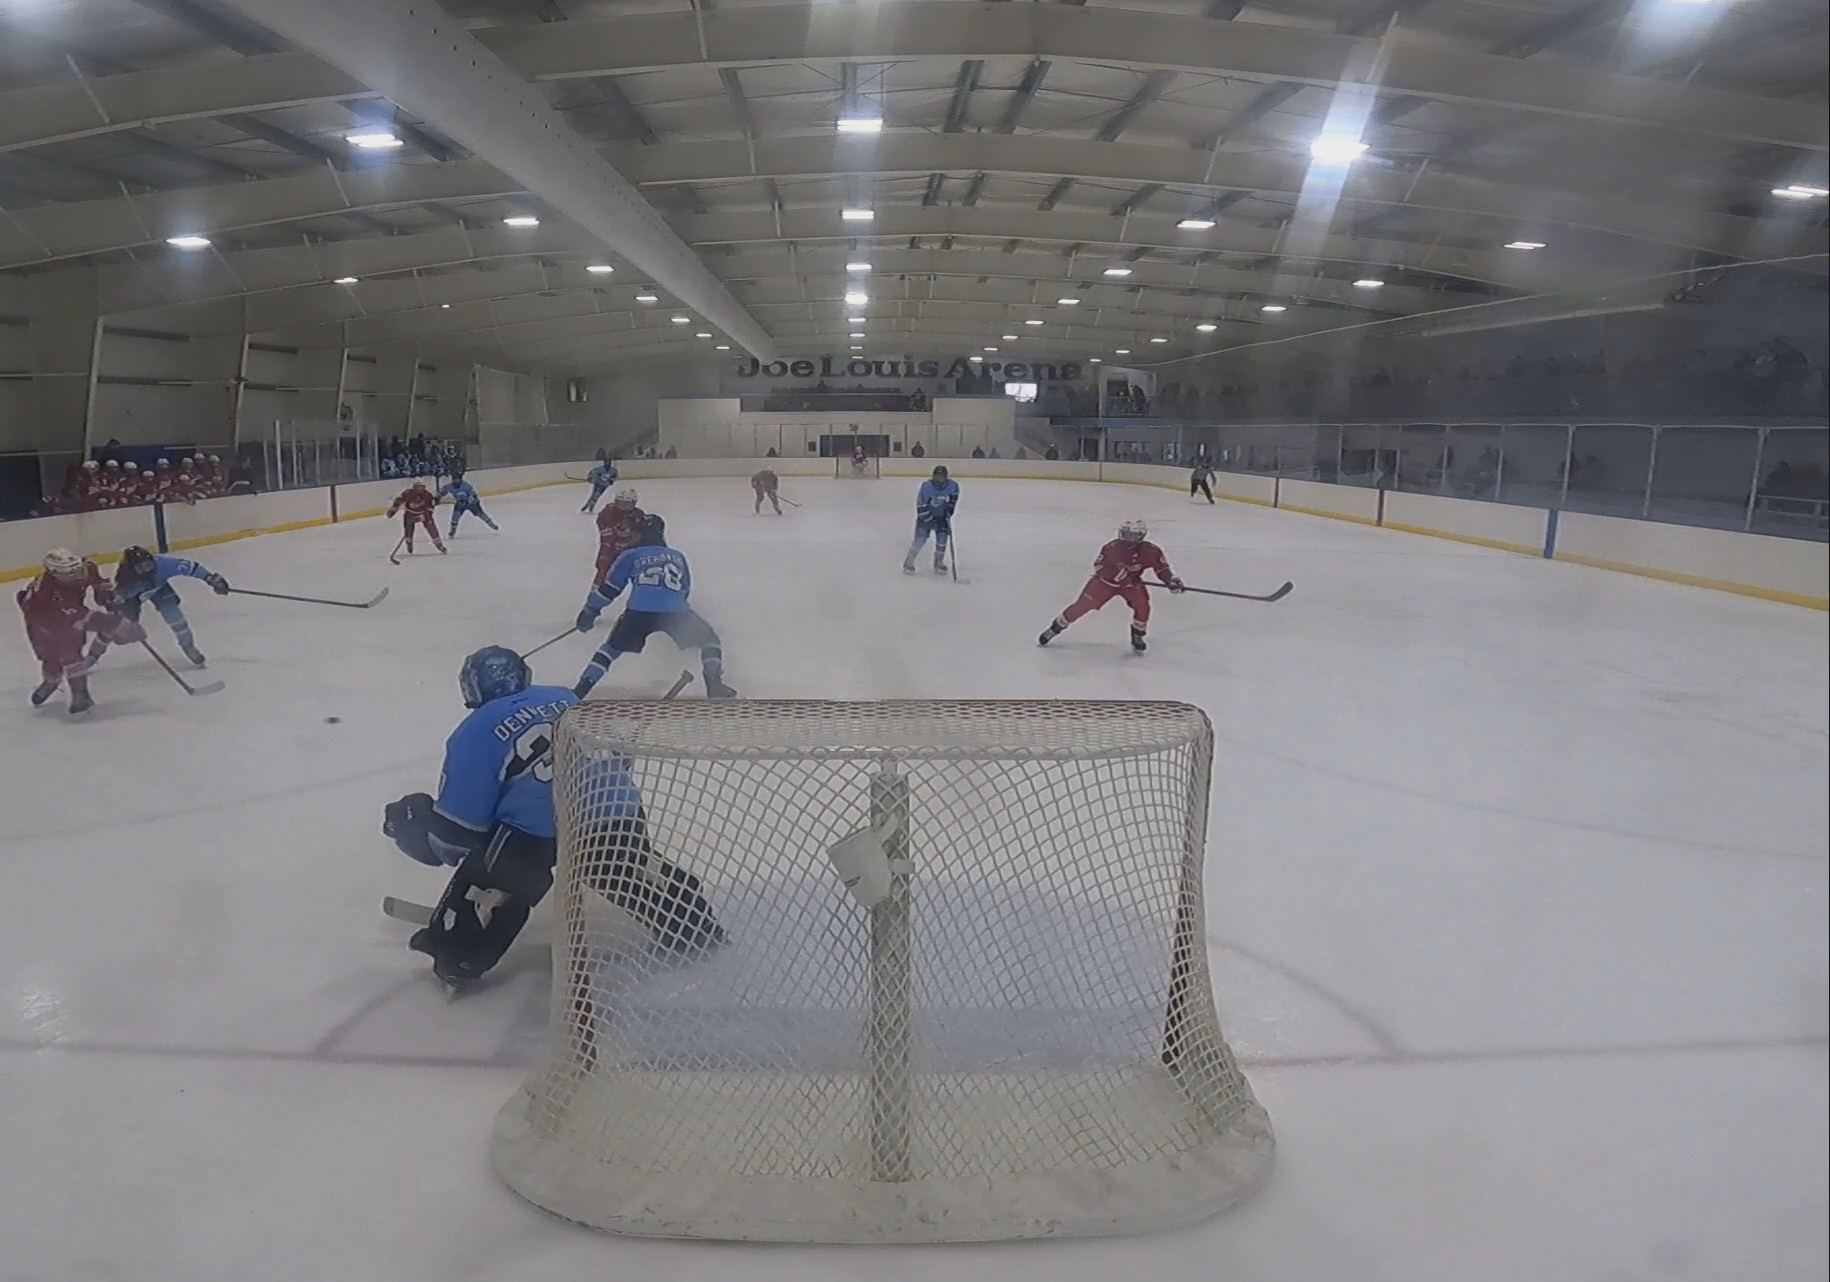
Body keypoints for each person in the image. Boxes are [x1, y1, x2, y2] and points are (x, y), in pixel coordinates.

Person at [382, 647, 724, 991]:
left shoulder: (476, 730)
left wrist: (417, 825)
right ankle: (693, 927)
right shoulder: (564, 697)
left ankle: (458, 954)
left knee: (502, 874)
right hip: (615, 806)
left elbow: (462, 832)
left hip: (536, 830)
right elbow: (616, 756)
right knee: (619, 864)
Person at [574, 514, 735, 699]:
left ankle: (580, 690)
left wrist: (590, 611)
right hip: (677, 612)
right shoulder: (677, 556)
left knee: (610, 649)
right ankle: (714, 685)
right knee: (710, 641)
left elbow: (609, 590)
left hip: (638, 613)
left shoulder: (630, 555)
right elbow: (685, 590)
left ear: (641, 534)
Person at [18, 548, 141, 715]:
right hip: (43, 622)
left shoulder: (85, 567)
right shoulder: (49, 591)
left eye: (76, 568)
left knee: (72, 655)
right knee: (51, 657)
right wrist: (119, 625)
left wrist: (107, 596)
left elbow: (99, 582)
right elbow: (82, 616)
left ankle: (80, 694)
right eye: (69, 572)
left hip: (69, 615)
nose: (76, 573)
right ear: (53, 573)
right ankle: (51, 681)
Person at [1038, 519, 1185, 654]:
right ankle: (1055, 628)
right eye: (1126, 534)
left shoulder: (1151, 551)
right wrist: (1121, 577)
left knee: (1142, 606)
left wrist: (1171, 580)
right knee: (1082, 606)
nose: (1127, 538)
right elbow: (1099, 566)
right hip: (1103, 584)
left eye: (1132, 535)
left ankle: (1138, 634)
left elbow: (1161, 568)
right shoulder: (1112, 547)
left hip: (1131, 584)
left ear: (1141, 536)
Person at [92, 546, 229, 668]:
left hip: (160, 589)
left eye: (149, 565)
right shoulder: (125, 578)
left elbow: (193, 568)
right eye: (142, 568)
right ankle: (93, 655)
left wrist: (211, 579)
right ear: (132, 569)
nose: (147, 570)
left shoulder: (164, 565)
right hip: (133, 597)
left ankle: (188, 646)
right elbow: (116, 599)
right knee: (116, 628)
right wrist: (117, 610)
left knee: (176, 618)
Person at [902, 465, 959, 575]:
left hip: (942, 517)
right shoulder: (926, 487)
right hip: (925, 517)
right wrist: (931, 521)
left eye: (942, 477)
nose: (939, 480)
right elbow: (921, 507)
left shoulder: (953, 486)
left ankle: (938, 562)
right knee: (920, 540)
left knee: (942, 541)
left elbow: (953, 499)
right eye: (937, 477)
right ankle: (909, 562)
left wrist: (949, 510)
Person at [593, 488, 648, 584]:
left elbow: (642, 533)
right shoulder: (608, 513)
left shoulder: (638, 514)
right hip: (610, 551)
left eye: (626, 503)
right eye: (621, 503)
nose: (623, 506)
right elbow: (607, 535)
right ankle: (596, 594)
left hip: (632, 551)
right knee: (603, 575)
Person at [387, 479, 446, 555]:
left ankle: (439, 544)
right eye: (417, 487)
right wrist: (393, 510)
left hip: (424, 514)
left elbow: (430, 509)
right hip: (410, 513)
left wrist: (422, 516)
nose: (419, 489)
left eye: (421, 487)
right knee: (408, 530)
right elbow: (398, 501)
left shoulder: (428, 495)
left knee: (432, 528)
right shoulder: (408, 493)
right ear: (414, 487)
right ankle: (409, 543)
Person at [439, 472, 498, 536]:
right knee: (455, 516)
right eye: (454, 479)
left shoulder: (467, 485)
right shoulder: (449, 486)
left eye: (457, 479)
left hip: (472, 504)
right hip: (460, 504)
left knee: (480, 514)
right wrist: (437, 498)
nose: (455, 481)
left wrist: (468, 501)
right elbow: (442, 492)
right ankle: (453, 529)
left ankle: (490, 523)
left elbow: (474, 495)